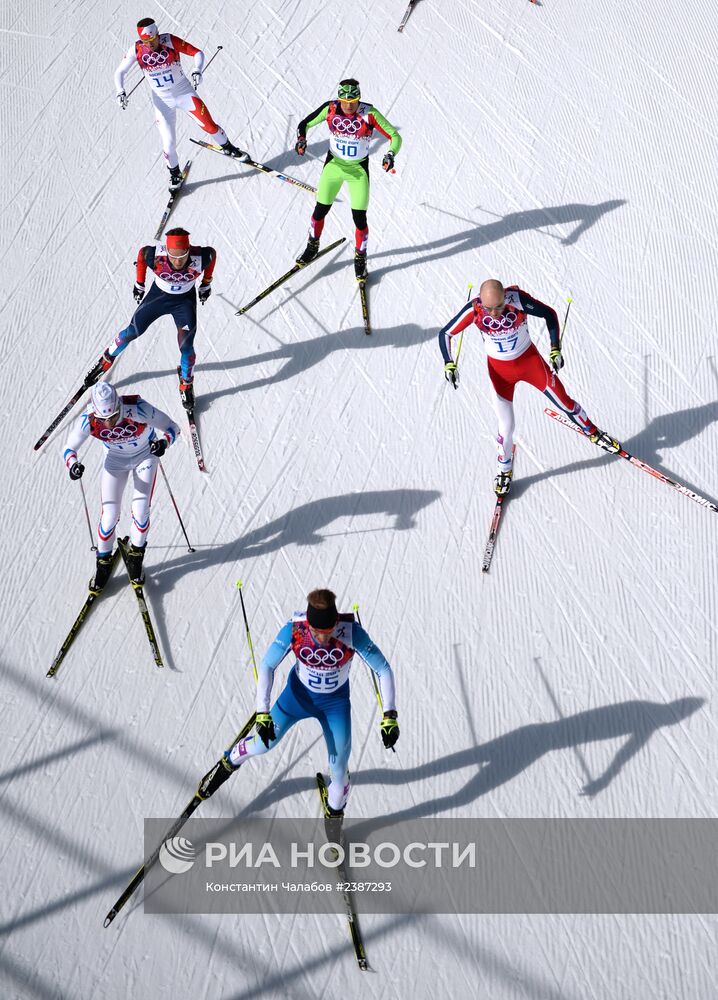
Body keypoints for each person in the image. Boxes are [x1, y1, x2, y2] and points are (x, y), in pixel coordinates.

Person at [209, 589, 399, 820]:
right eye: (317, 632)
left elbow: (383, 669)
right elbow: (268, 665)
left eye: (328, 632)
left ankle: (334, 814)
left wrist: (389, 715)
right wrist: (262, 712)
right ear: (308, 624)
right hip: (297, 698)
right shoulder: (295, 630)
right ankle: (229, 761)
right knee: (262, 744)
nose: (323, 639)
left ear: (335, 622)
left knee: (339, 770)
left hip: (334, 706)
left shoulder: (351, 633)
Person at [439, 279, 621, 495]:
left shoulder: (517, 300)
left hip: (529, 363)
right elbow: (446, 333)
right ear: (481, 301)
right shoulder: (475, 309)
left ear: (505, 297)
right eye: (489, 308)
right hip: (500, 374)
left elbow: (549, 314)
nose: (494, 313)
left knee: (565, 402)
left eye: (499, 306)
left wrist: (555, 349)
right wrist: (449, 363)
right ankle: (503, 469)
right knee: (506, 427)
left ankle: (593, 432)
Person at [62, 381, 180, 589]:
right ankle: (103, 564)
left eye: (115, 416)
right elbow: (69, 448)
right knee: (108, 518)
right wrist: (73, 465)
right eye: (103, 419)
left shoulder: (138, 409)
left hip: (145, 457)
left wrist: (163, 443)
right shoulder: (88, 420)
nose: (109, 424)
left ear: (119, 406)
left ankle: (135, 558)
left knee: (140, 511)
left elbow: (173, 428)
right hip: (115, 461)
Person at [86, 228, 214, 411]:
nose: (178, 261)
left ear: (189, 250)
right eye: (173, 255)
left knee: (186, 347)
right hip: (158, 297)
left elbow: (212, 256)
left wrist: (206, 283)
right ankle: (106, 358)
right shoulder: (155, 256)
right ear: (166, 251)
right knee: (132, 331)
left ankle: (186, 384)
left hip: (183, 303)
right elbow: (141, 255)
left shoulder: (201, 257)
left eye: (183, 255)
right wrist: (139, 283)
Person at [114, 18, 248, 189]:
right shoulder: (136, 49)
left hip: (184, 93)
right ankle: (175, 174)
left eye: (153, 39)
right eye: (146, 41)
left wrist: (197, 69)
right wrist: (120, 91)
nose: (151, 44)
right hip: (162, 101)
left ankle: (228, 147)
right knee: (168, 144)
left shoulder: (168, 40)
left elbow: (197, 52)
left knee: (209, 126)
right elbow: (120, 71)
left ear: (157, 33)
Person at [294, 79, 402, 283]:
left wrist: (390, 154)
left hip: (357, 171)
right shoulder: (331, 108)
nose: (349, 105)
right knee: (320, 211)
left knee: (360, 219)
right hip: (334, 167)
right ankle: (312, 246)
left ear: (358, 98)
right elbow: (304, 124)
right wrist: (301, 139)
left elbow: (395, 136)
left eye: (353, 100)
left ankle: (360, 257)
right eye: (345, 100)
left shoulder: (369, 113)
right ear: (339, 98)